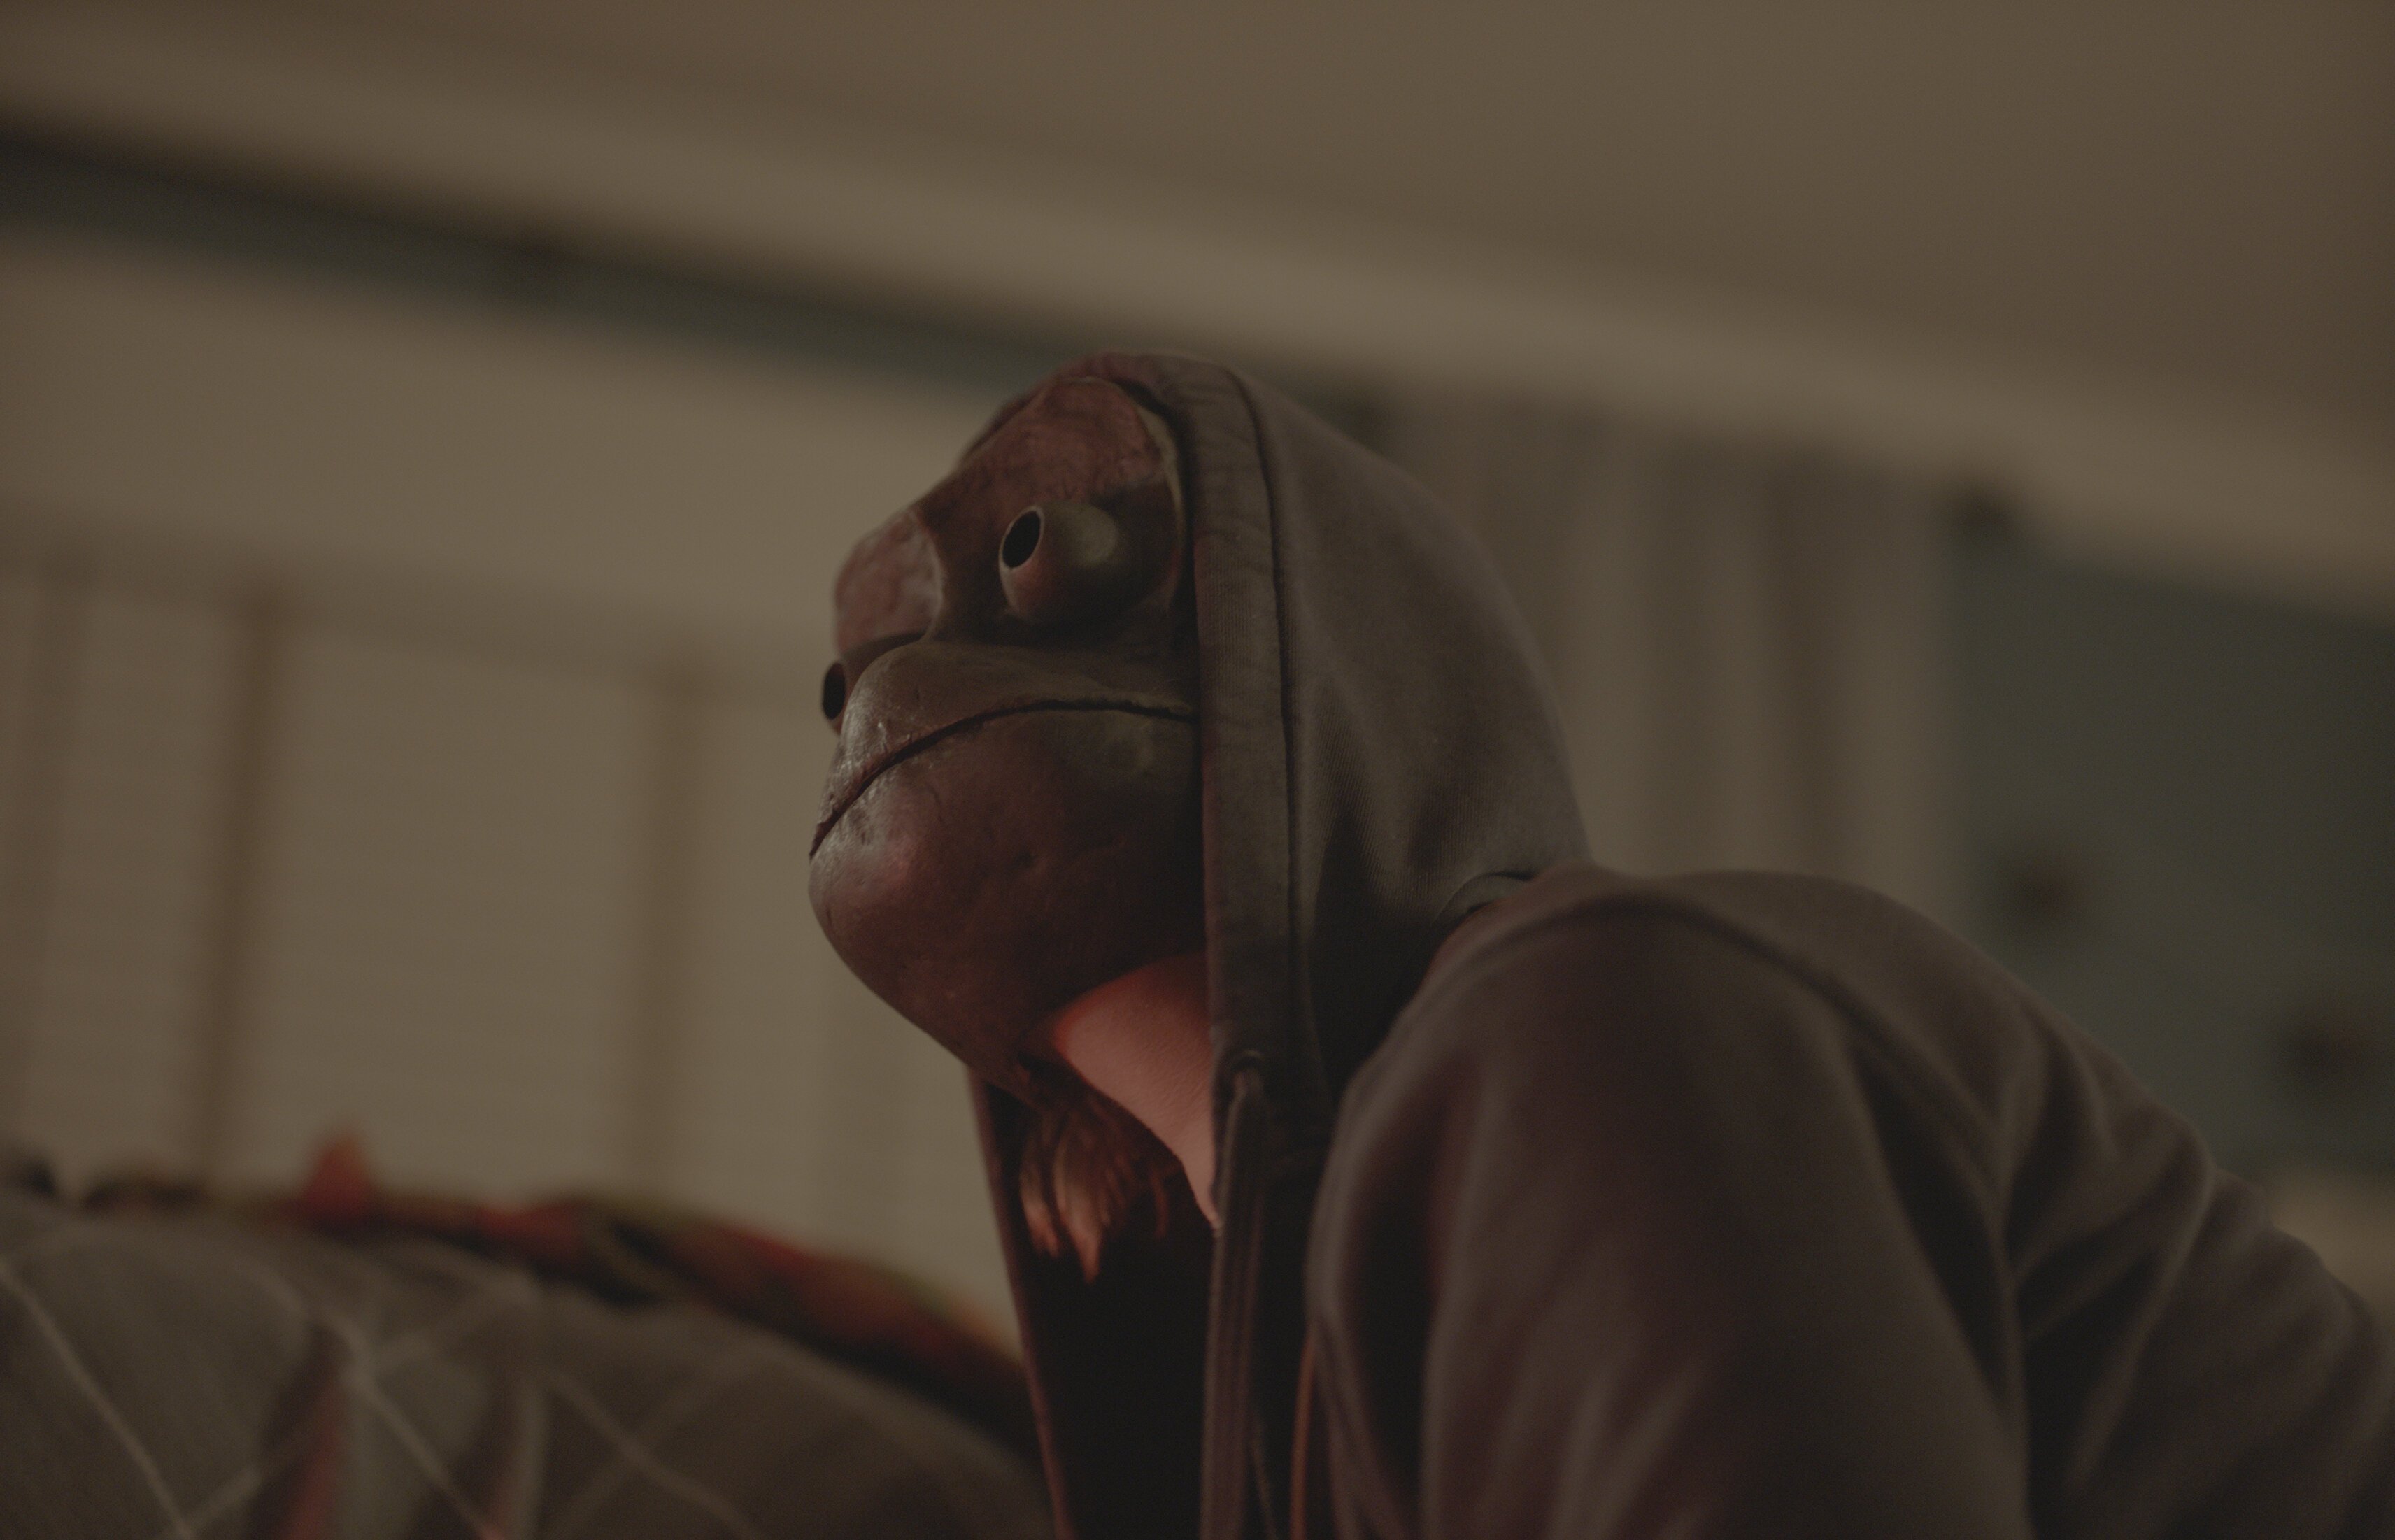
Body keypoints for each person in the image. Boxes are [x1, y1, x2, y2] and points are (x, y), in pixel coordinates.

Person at [806, 352, 2395, 1540]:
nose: (891, 683)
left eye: (1034, 544)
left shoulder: (1582, 1016)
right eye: (868, 655)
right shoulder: (1298, 1368)